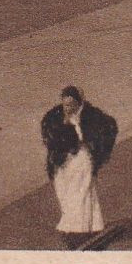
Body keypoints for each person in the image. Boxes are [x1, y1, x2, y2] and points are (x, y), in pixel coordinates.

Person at [40, 86, 117, 249]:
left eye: (70, 104)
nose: (66, 107)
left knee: (80, 192)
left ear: (78, 102)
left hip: (82, 158)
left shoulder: (91, 114)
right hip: (62, 160)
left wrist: (96, 147)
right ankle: (90, 226)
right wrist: (63, 130)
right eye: (64, 104)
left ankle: (77, 231)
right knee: (64, 192)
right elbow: (48, 134)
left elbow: (110, 127)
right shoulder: (55, 116)